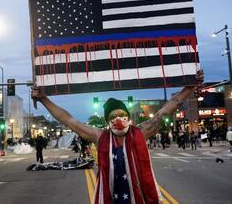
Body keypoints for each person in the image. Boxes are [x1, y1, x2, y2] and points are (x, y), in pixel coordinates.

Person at [32, 71, 203, 204]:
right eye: (113, 117)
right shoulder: (100, 136)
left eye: (122, 114)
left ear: (128, 117)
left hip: (140, 198)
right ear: (107, 121)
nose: (118, 119)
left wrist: (188, 88)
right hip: (110, 197)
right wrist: (44, 99)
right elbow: (67, 120)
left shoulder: (141, 131)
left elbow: (167, 109)